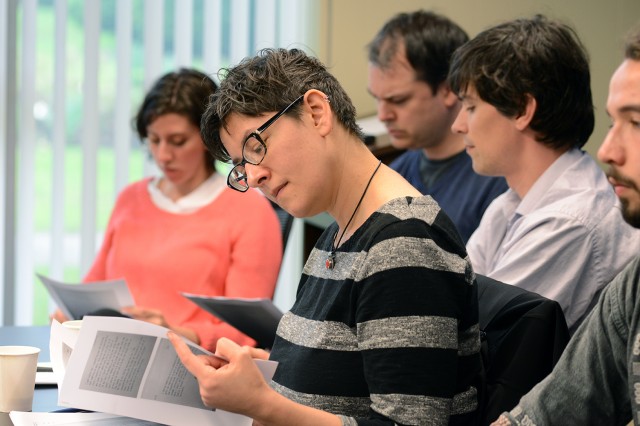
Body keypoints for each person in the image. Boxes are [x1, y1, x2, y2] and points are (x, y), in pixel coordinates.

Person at [168, 48, 482, 425]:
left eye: (256, 148)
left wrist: (261, 404)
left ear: (317, 113)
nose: (253, 178)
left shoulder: (403, 243)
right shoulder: (340, 232)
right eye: (241, 166)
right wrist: (276, 366)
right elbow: (354, 375)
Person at [52, 68, 283, 351]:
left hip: (190, 363)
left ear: (207, 140)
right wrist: (70, 315)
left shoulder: (249, 212)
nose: (163, 155)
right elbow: (94, 288)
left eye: (177, 141)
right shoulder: (131, 198)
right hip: (116, 353)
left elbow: (244, 330)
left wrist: (174, 332)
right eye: (154, 139)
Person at [449, 15, 640, 332]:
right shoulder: (510, 203)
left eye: (470, 107)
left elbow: (471, 336)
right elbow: (453, 304)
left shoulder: (570, 220)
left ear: (523, 110)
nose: (458, 125)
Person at [491, 27, 640, 426]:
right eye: (613, 122)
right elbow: (545, 412)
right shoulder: (634, 285)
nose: (608, 150)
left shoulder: (573, 220)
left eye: (637, 123)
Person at [367, 10, 508, 243]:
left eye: (398, 100)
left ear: (448, 90)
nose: (383, 115)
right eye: (377, 98)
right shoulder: (395, 174)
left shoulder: (495, 181)